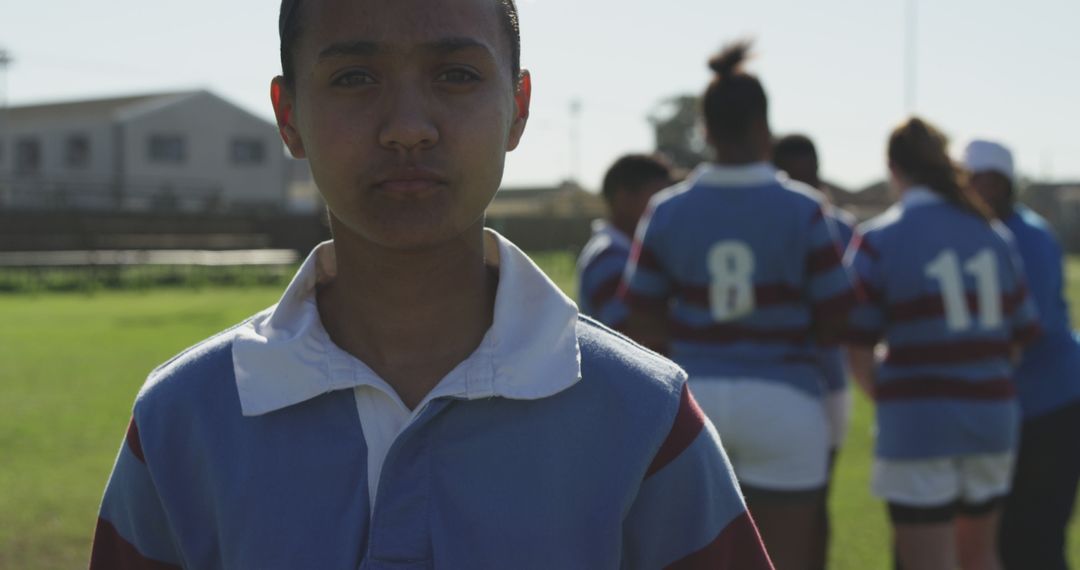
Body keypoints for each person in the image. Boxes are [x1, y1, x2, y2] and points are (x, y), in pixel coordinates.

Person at [88, 1, 775, 568]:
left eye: (455, 74)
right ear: (289, 115)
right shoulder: (182, 419)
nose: (409, 128)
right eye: (355, 78)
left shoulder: (645, 418)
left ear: (520, 105)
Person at [620, 41, 857, 570]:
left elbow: (642, 318)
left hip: (694, 398)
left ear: (705, 130)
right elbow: (839, 315)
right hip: (785, 402)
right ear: (763, 128)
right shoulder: (803, 207)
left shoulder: (667, 208)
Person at [844, 119, 1040, 570]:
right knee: (981, 557)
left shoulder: (881, 237)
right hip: (993, 417)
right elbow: (1019, 339)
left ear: (893, 168)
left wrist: (889, 393)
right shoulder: (993, 233)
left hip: (919, 421)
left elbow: (856, 347)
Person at [963, 139, 1080, 570]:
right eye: (974, 179)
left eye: (993, 180)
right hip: (1007, 408)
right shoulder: (973, 231)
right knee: (997, 538)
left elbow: (1033, 328)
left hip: (1048, 405)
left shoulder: (1027, 236)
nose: (983, 189)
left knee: (1037, 539)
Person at [773, 133, 857, 570]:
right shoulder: (831, 222)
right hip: (818, 379)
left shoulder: (823, 222)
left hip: (813, 379)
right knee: (808, 506)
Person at [577, 154, 673, 333]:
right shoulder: (608, 257)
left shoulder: (622, 250)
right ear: (624, 198)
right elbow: (627, 331)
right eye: (658, 198)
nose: (667, 208)